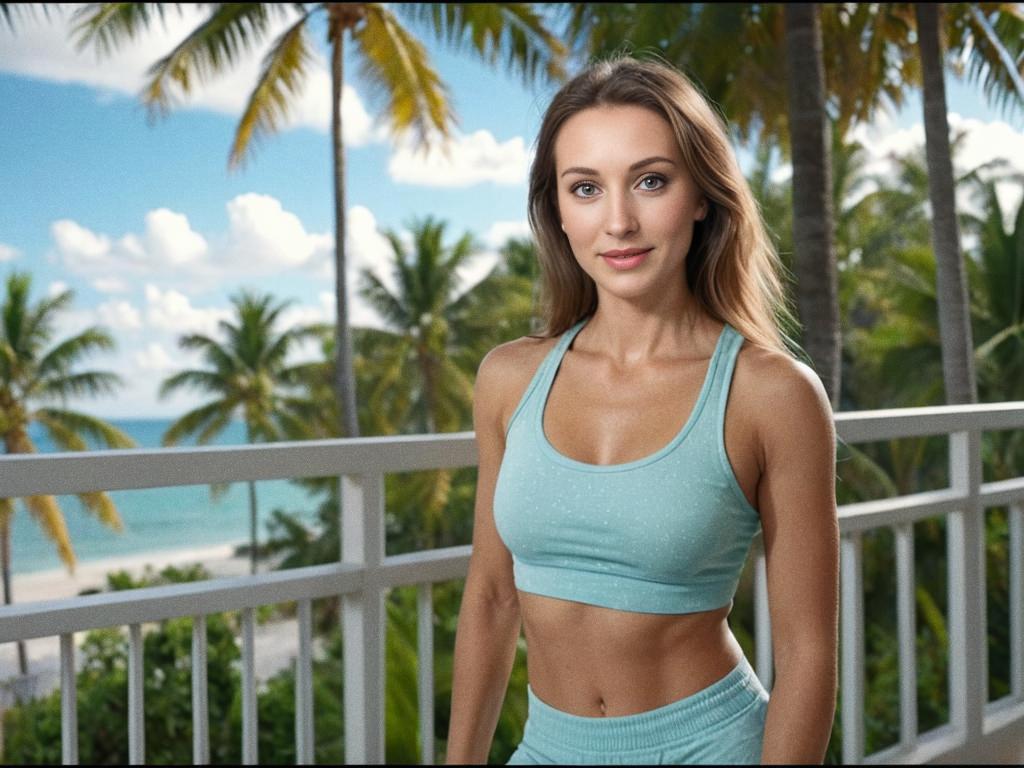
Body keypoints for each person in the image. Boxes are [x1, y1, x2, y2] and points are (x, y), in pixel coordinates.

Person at [445, 53, 838, 765]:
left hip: (711, 747)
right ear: (557, 210)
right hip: (546, 748)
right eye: (586, 188)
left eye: (651, 181)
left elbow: (808, 650)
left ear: (701, 196)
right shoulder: (508, 378)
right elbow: (493, 597)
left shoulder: (771, 393)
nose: (619, 221)